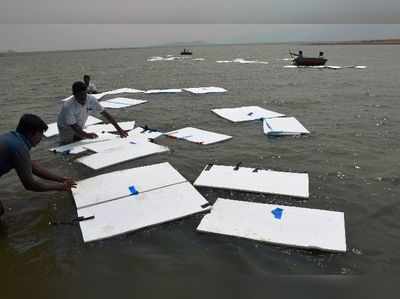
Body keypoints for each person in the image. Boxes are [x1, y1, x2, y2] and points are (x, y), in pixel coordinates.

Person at [0, 114, 77, 216]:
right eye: (41, 134)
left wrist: (61, 179)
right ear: (32, 133)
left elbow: (33, 167)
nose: (41, 139)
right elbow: (29, 185)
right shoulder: (19, 147)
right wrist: (59, 187)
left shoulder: (13, 139)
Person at [57, 81, 128, 144]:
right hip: (65, 126)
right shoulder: (68, 106)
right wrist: (87, 135)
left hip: (78, 122)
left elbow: (105, 114)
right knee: (67, 144)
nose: (83, 99)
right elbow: (73, 126)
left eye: (84, 95)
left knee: (79, 140)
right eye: (80, 96)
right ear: (74, 94)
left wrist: (119, 129)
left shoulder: (91, 99)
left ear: (86, 92)